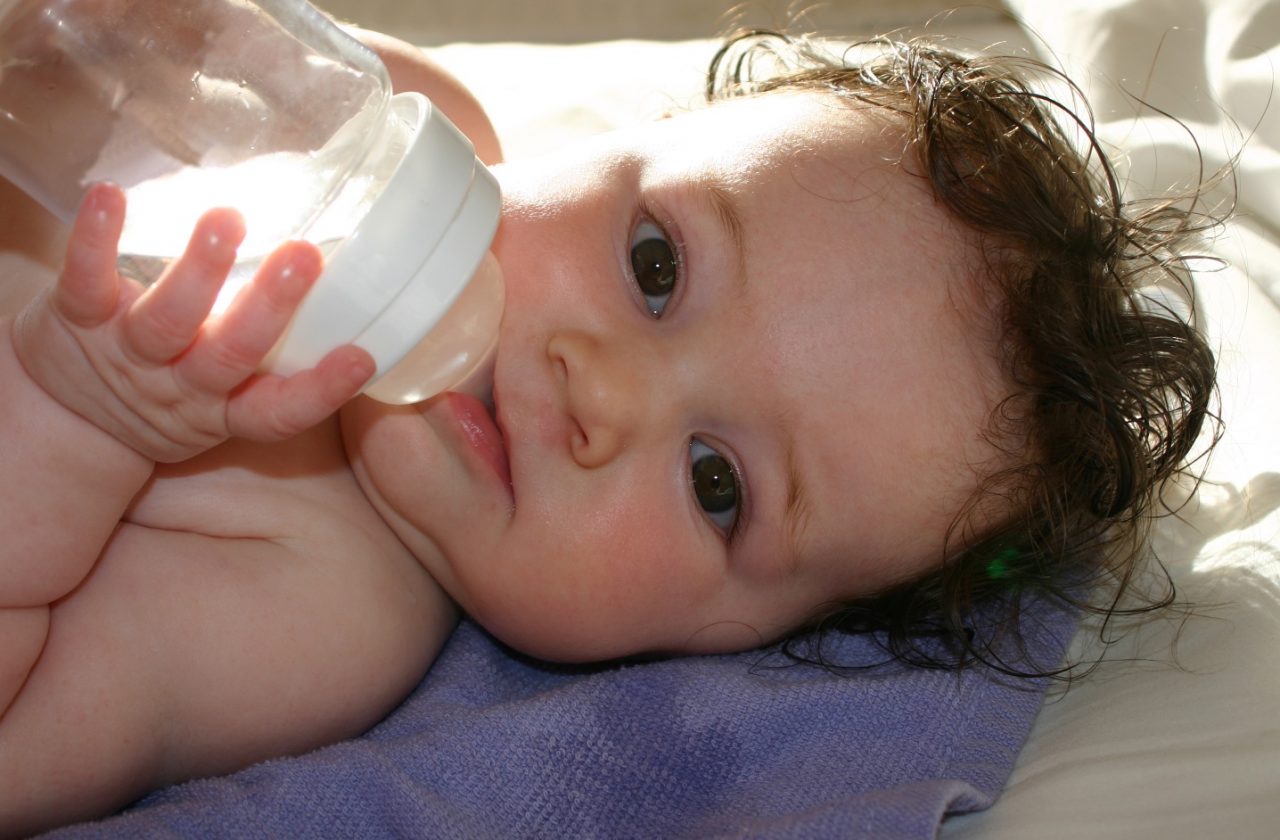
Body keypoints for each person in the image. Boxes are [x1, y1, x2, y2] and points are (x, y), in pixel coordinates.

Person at [0, 23, 1216, 836]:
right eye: (654, 264)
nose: (601, 396)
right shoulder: (408, 123)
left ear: (721, 643)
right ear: (609, 142)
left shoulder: (312, 614)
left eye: (716, 484)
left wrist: (72, 427)